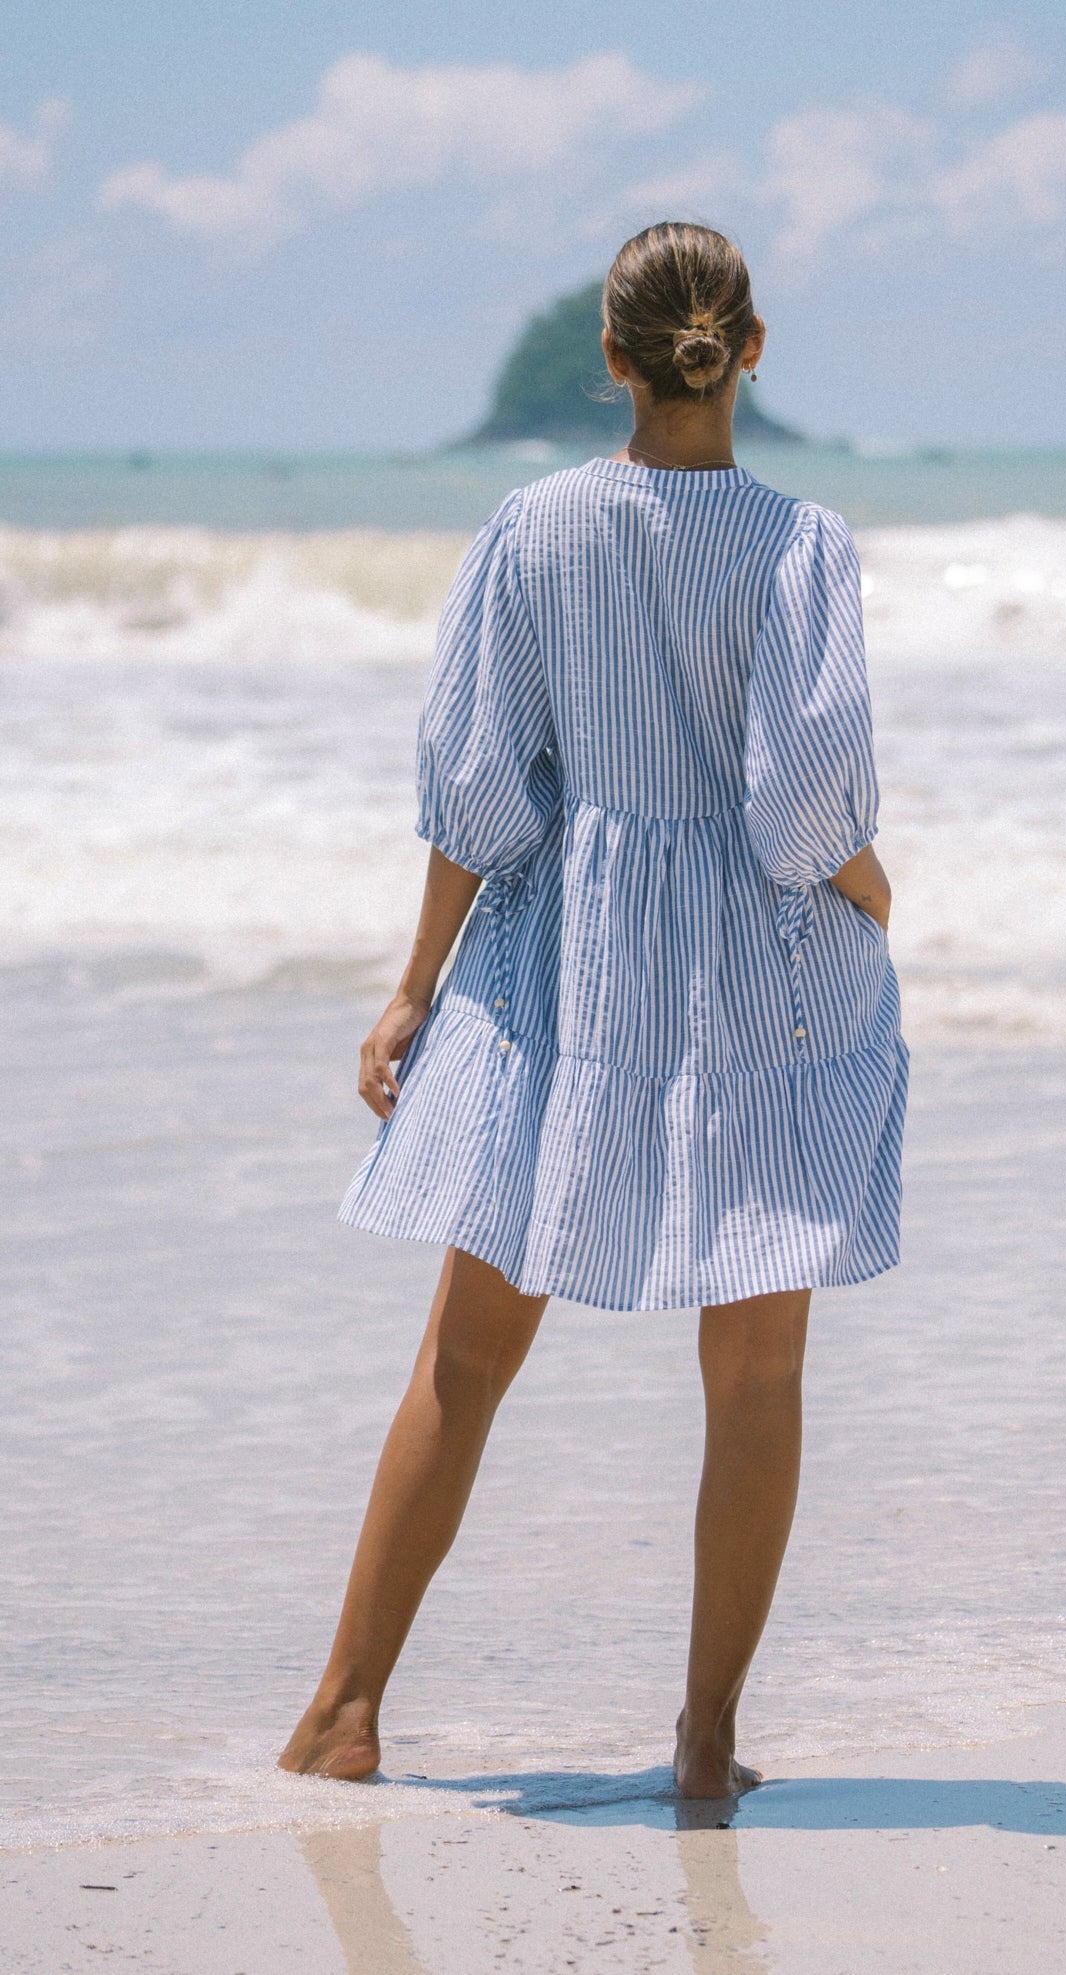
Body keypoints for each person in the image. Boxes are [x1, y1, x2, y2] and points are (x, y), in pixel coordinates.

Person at [278, 222, 908, 1799]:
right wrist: (876, 894)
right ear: (750, 349)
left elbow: (478, 789)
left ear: (612, 360)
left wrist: (418, 984)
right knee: (756, 1376)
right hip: (756, 978)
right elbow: (799, 806)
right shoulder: (800, 541)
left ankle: (345, 1714)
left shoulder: (530, 529)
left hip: (566, 963)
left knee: (465, 1359)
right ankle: (705, 1747)